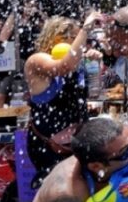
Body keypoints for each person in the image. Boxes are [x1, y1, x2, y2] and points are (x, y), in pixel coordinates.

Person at [24, 13, 102, 185]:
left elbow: (92, 92)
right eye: (75, 38)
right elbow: (63, 67)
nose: (81, 43)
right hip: (49, 144)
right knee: (58, 194)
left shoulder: (76, 61)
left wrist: (92, 63)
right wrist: (85, 28)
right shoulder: (37, 60)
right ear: (58, 37)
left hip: (74, 143)